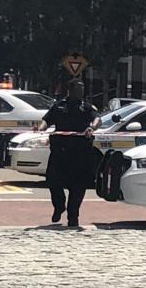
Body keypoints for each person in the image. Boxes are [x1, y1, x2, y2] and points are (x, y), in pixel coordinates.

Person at [38, 79, 100, 227]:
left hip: (80, 154)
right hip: (60, 152)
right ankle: (59, 206)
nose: (81, 92)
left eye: (82, 89)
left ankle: (73, 217)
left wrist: (92, 128)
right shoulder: (59, 106)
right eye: (78, 89)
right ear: (70, 90)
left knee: (78, 186)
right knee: (53, 181)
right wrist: (41, 128)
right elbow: (47, 120)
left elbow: (97, 118)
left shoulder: (86, 107)